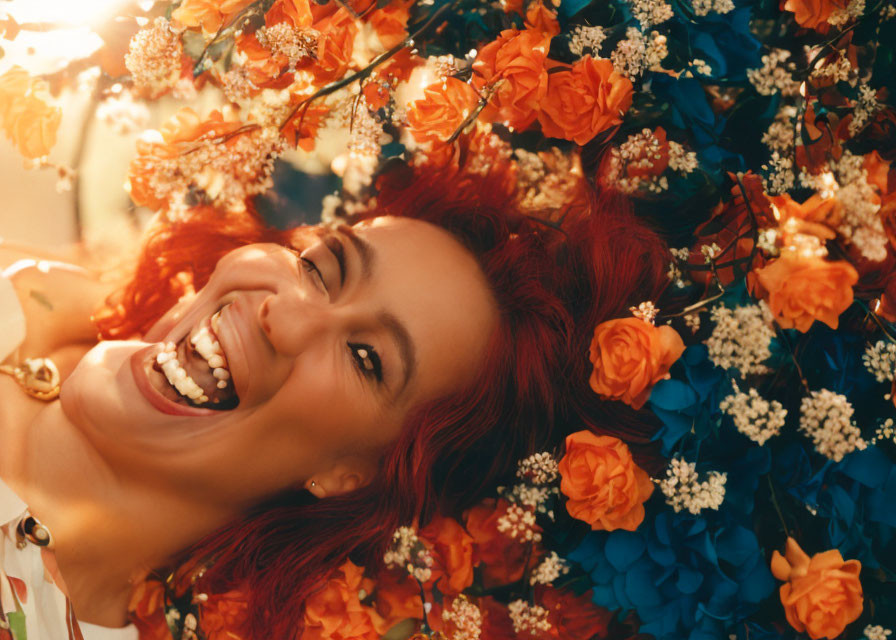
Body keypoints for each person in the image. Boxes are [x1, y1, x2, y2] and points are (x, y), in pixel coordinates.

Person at [0, 162, 670, 640]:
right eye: (321, 268)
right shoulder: (29, 297)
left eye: (365, 359)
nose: (285, 318)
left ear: (353, 476)